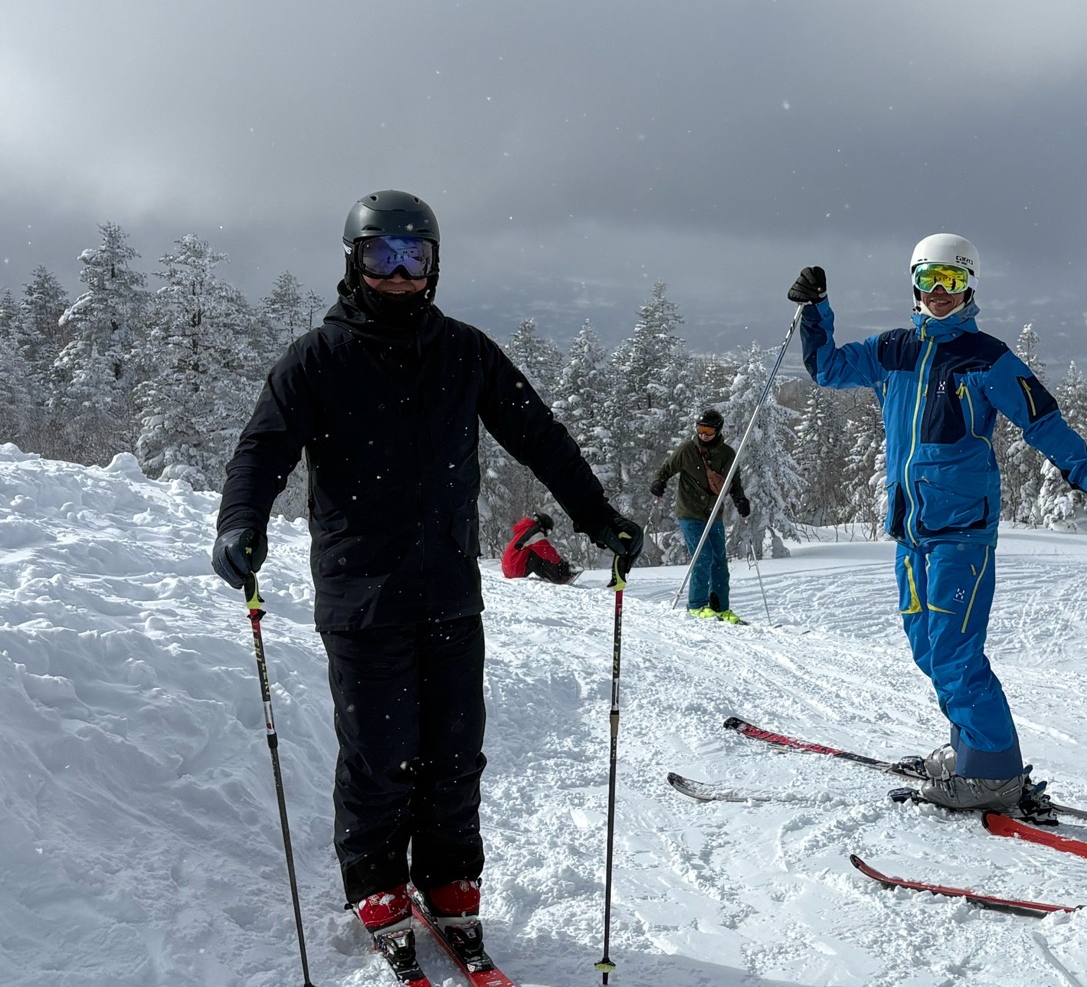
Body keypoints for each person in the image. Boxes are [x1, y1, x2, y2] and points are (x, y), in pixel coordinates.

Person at [211, 191, 643, 973]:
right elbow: (262, 450)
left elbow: (537, 435)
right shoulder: (317, 359)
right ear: (355, 262)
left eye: (416, 256)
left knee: (454, 751)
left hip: (447, 588)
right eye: (384, 256)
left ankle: (448, 881)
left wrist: (595, 515)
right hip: (361, 592)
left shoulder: (464, 352)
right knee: (379, 752)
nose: (402, 273)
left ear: (435, 264)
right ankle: (376, 884)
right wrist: (240, 521)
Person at [786, 236, 1087, 811]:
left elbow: (1042, 420)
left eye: (951, 282)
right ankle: (972, 749)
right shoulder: (893, 349)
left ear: (969, 285)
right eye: (930, 280)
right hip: (911, 531)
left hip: (961, 532)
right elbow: (826, 369)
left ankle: (993, 773)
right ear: (915, 283)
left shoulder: (987, 357)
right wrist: (815, 310)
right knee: (929, 649)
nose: (939, 293)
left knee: (955, 653)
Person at [650, 408, 751, 622]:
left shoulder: (727, 454)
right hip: (690, 513)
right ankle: (696, 605)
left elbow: (735, 484)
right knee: (702, 556)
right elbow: (666, 469)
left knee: (720, 561)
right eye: (699, 429)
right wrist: (658, 483)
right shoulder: (687, 450)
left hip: (713, 514)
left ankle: (720, 608)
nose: (703, 435)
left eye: (707, 431)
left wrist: (740, 500)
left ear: (717, 431)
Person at [501, 511, 578, 584]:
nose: (546, 534)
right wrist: (562, 564)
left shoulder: (525, 530)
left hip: (509, 569)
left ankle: (555, 575)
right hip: (515, 570)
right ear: (542, 526)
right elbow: (546, 551)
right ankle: (560, 576)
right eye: (547, 531)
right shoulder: (534, 532)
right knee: (540, 556)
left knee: (535, 556)